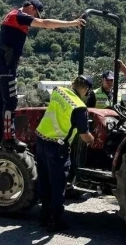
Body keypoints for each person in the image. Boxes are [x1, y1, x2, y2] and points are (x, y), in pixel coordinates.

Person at [0, 0, 86, 151]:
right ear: (30, 7)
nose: (36, 17)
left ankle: (2, 138)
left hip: (4, 62)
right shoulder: (18, 16)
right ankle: (8, 138)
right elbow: (46, 24)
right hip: (6, 64)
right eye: (36, 13)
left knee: (2, 102)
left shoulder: (15, 17)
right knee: (10, 101)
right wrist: (73, 23)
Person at [35, 75, 94, 232]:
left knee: (44, 179)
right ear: (86, 89)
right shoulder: (79, 107)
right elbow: (84, 136)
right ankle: (55, 220)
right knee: (58, 184)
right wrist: (91, 140)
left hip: (40, 140)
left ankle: (44, 215)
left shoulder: (58, 91)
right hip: (57, 147)